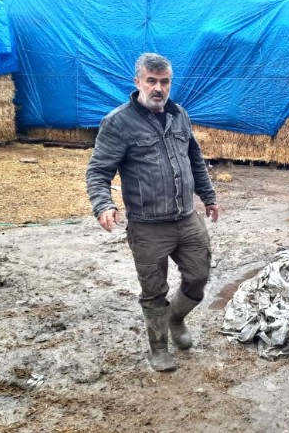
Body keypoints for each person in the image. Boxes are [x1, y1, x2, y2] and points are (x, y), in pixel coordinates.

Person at [86, 53, 220, 372]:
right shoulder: (117, 122)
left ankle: (176, 319)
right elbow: (98, 171)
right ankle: (159, 348)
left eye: (164, 82)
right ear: (138, 82)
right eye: (152, 81)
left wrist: (209, 195)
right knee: (154, 290)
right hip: (148, 226)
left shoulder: (180, 116)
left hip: (186, 218)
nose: (158, 88)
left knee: (198, 277)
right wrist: (103, 204)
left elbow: (195, 160)